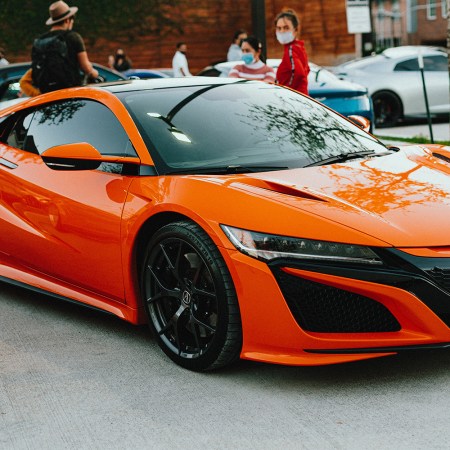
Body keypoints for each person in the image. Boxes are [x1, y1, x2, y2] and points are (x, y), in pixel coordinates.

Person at [21, 0, 99, 96]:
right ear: (67, 20)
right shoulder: (73, 37)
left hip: (47, 94)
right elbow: (86, 67)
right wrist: (94, 73)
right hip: (70, 92)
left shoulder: (39, 41)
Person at [274, 9, 310, 95]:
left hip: (293, 100)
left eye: (286, 28)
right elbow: (307, 69)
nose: (282, 31)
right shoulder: (298, 47)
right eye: (279, 28)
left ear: (295, 30)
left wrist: (287, 92)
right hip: (300, 98)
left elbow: (298, 73)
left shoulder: (291, 49)